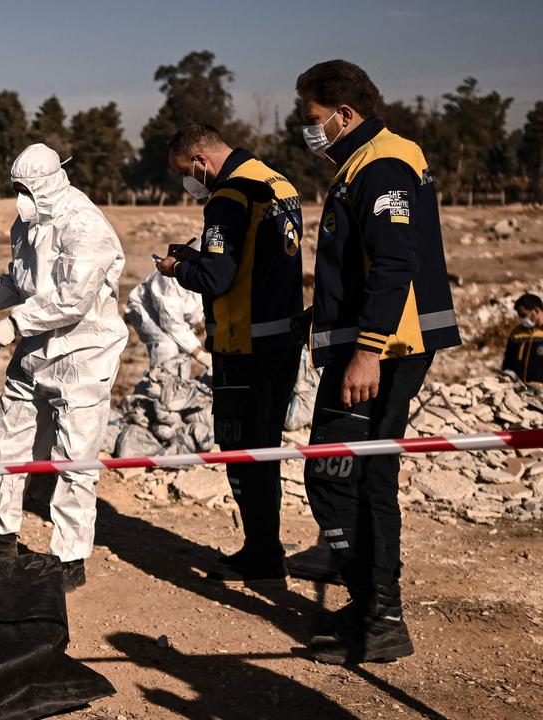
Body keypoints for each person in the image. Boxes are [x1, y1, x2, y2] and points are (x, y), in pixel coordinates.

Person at [295, 60, 460, 664]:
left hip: (384, 353)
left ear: (345, 114)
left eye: (312, 118)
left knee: (343, 475)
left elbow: (396, 264)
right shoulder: (360, 165)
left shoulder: (383, 163)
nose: (306, 128)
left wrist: (366, 351)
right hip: (372, 346)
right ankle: (370, 604)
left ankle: (381, 617)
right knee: (354, 476)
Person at [0, 144, 127, 592]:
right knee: (7, 442)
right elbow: (17, 280)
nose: (19, 197)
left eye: (25, 188)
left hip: (83, 356)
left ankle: (69, 558)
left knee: (74, 461)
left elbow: (72, 297)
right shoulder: (26, 224)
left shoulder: (84, 226)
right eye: (15, 188)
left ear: (48, 182)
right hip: (35, 355)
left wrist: (16, 323)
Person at [156, 123, 305, 588]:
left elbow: (218, 279)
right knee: (265, 446)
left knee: (242, 448)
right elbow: (246, 260)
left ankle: (263, 552)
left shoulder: (227, 197)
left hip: (245, 343)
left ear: (200, 160)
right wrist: (199, 257)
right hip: (281, 336)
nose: (189, 183)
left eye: (186, 173)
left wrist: (178, 267)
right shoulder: (277, 182)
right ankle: (264, 548)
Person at [124, 270, 207, 369]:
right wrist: (201, 355)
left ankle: (181, 383)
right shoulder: (171, 278)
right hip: (148, 310)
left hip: (180, 319)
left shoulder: (214, 276)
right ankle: (161, 381)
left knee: (184, 354)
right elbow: (171, 323)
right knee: (168, 346)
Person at [503, 293, 543, 382]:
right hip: (519, 390)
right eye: (519, 315)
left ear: (536, 311)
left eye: (523, 315)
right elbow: (508, 363)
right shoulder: (517, 333)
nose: (521, 318)